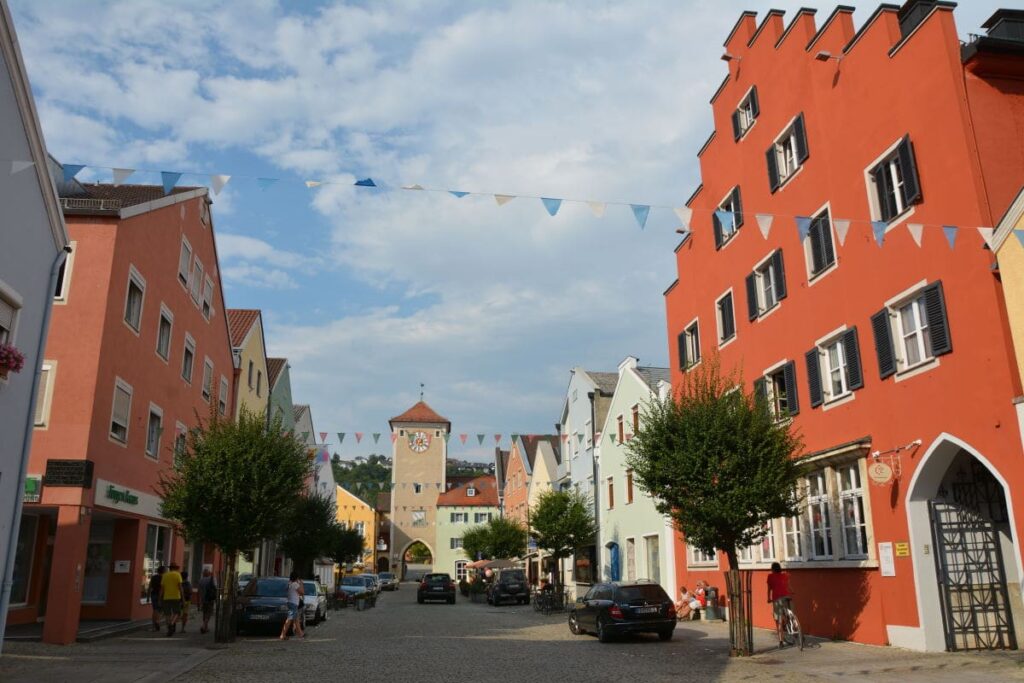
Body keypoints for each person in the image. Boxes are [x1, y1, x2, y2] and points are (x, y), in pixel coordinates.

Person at [767, 561, 793, 648]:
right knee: (787, 613)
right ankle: (793, 626)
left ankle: (781, 641)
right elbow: (788, 586)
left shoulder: (770, 576)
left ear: (772, 569)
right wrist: (792, 592)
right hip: (786, 597)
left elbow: (769, 589)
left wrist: (768, 598)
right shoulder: (785, 575)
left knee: (778, 620)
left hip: (777, 599)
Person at [160, 563, 184, 637]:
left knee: (167, 614)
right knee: (177, 612)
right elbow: (180, 587)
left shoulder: (165, 575)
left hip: (166, 597)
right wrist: (183, 598)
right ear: (176, 568)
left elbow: (162, 589)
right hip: (176, 597)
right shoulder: (177, 575)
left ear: (170, 568)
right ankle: (172, 623)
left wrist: (159, 598)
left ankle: (169, 628)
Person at [280, 571, 305, 640]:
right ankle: (283, 635)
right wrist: (301, 584)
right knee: (289, 619)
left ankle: (300, 634)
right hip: (293, 604)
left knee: (296, 619)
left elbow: (297, 594)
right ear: (297, 577)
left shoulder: (290, 584)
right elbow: (302, 592)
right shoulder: (295, 584)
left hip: (291, 603)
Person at [197, 568, 217, 634]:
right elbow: (215, 588)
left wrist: (198, 601)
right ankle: (203, 626)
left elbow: (198, 591)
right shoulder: (211, 579)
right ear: (209, 573)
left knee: (204, 612)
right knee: (209, 613)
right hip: (210, 599)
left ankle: (206, 627)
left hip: (203, 599)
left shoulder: (200, 580)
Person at [149, 566, 166, 631]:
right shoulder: (164, 578)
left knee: (155, 610)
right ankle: (158, 621)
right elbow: (163, 588)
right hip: (161, 595)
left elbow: (150, 587)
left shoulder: (153, 577)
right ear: (163, 571)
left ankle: (153, 627)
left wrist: (147, 597)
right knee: (162, 610)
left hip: (153, 594)